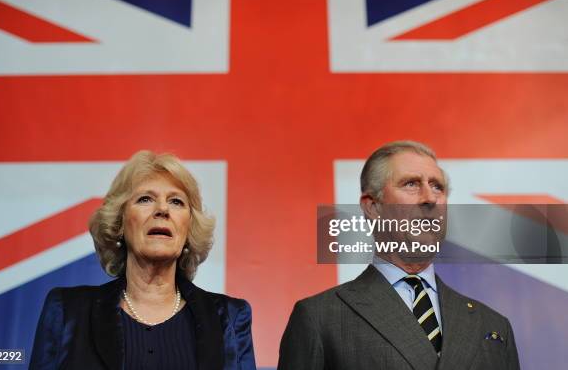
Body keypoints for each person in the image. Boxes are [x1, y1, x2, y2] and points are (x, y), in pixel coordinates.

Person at [278, 140, 520, 370]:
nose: (429, 198)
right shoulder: (320, 318)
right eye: (411, 184)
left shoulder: (493, 325)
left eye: (438, 187)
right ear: (373, 207)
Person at [30, 150, 256, 370]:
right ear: (119, 224)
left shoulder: (228, 318)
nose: (163, 209)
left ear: (189, 228)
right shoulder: (68, 312)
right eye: (145, 199)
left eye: (176, 201)